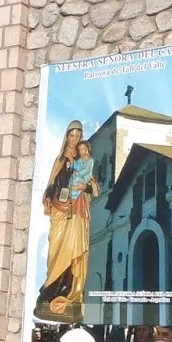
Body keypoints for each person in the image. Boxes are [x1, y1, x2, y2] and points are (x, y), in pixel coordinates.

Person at [35, 121, 99, 322]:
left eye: (78, 136)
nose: (74, 139)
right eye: (71, 135)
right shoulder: (61, 159)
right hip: (60, 210)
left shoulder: (85, 162)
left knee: (74, 251)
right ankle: (50, 288)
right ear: (66, 137)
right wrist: (48, 198)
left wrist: (84, 187)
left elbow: (95, 188)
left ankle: (70, 291)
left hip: (77, 213)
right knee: (55, 249)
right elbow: (51, 183)